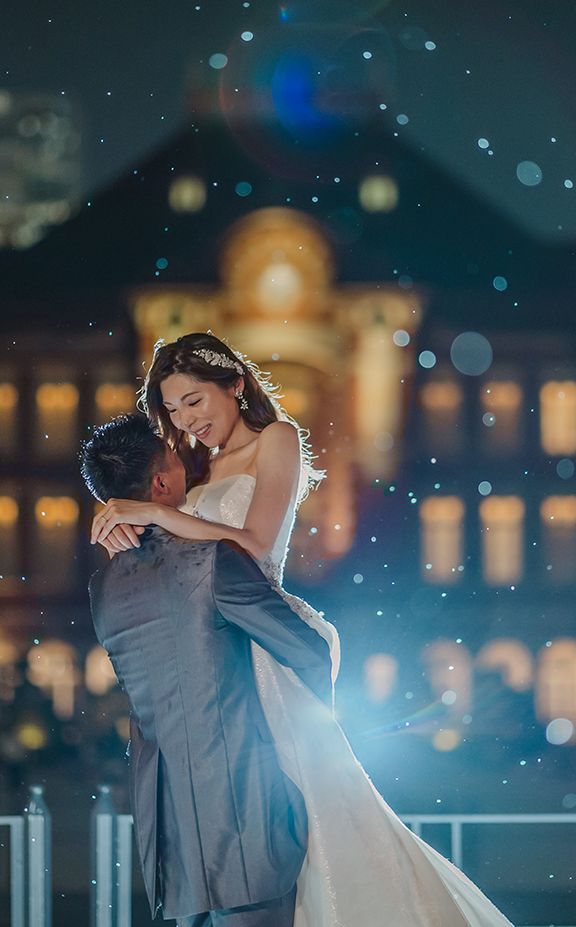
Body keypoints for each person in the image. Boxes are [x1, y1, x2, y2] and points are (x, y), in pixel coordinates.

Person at [91, 332, 513, 927]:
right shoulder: (194, 465)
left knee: (311, 808)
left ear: (235, 385)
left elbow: (257, 544)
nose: (187, 420)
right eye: (173, 409)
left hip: (268, 636)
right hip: (227, 643)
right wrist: (114, 516)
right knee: (270, 811)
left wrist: (161, 513)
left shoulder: (277, 441)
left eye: (195, 400)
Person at [82, 413, 334, 927]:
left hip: (172, 836)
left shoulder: (104, 590)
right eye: (179, 462)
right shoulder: (212, 561)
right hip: (247, 820)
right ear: (160, 483)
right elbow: (308, 651)